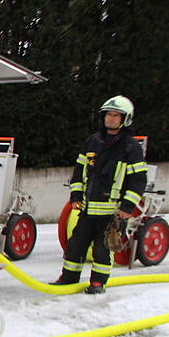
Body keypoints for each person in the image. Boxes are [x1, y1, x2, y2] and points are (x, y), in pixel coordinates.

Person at [50, 95, 147, 294]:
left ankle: (97, 283)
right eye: (108, 115)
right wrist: (76, 197)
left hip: (112, 212)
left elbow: (138, 181)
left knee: (102, 250)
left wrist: (127, 208)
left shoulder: (131, 147)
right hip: (88, 209)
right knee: (75, 245)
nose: (110, 119)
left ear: (125, 119)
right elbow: (79, 172)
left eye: (115, 115)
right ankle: (68, 278)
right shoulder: (92, 142)